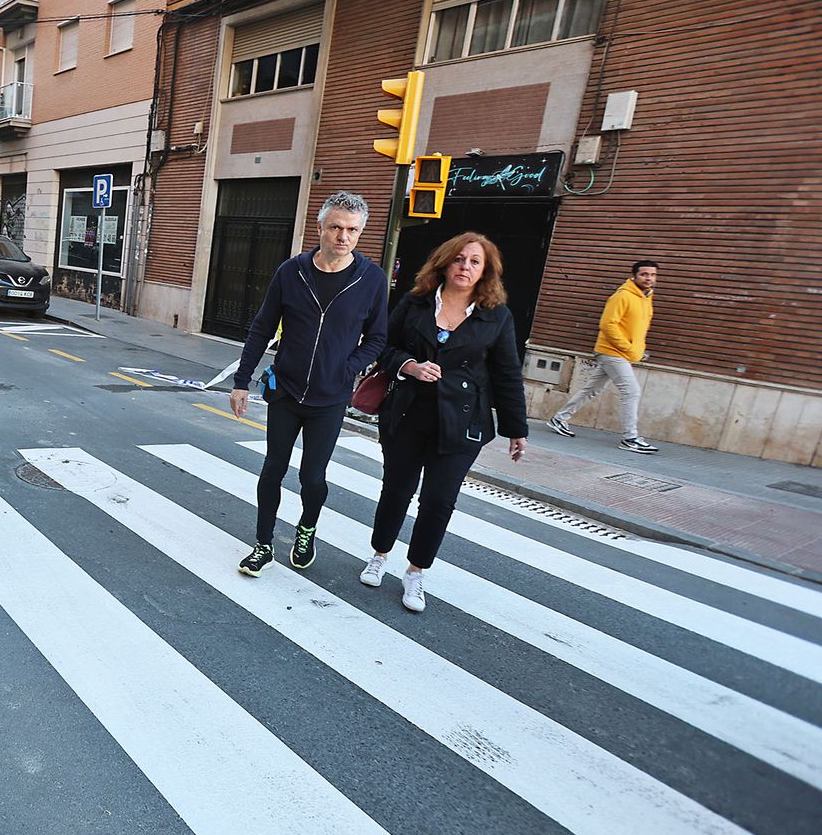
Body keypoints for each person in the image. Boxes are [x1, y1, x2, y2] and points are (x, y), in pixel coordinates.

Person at [361, 232, 528, 613]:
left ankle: (416, 571)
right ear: (444, 262)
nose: (464, 267)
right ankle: (380, 553)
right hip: (407, 413)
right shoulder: (415, 302)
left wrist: (516, 428)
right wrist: (409, 366)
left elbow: (506, 373)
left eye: (474, 262)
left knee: (438, 501)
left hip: (462, 422)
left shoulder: (496, 316)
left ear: (486, 272)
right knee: (397, 489)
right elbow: (382, 345)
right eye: (458, 259)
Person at [230, 190, 388, 576]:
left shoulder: (371, 279)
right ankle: (263, 544)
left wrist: (346, 368)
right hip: (285, 391)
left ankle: (307, 529)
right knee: (273, 469)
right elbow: (262, 327)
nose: (343, 236)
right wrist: (241, 381)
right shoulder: (292, 271)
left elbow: (379, 338)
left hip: (330, 399)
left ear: (360, 233)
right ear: (320, 227)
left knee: (312, 477)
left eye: (352, 230)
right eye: (336, 227)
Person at [547, 261, 660, 454]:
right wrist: (630, 349)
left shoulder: (646, 298)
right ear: (634, 276)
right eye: (644, 274)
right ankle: (630, 438)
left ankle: (559, 418)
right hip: (612, 351)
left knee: (591, 389)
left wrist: (639, 351)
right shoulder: (623, 295)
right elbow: (608, 325)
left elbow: (637, 329)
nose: (649, 278)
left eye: (652, 275)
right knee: (631, 391)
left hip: (623, 353)